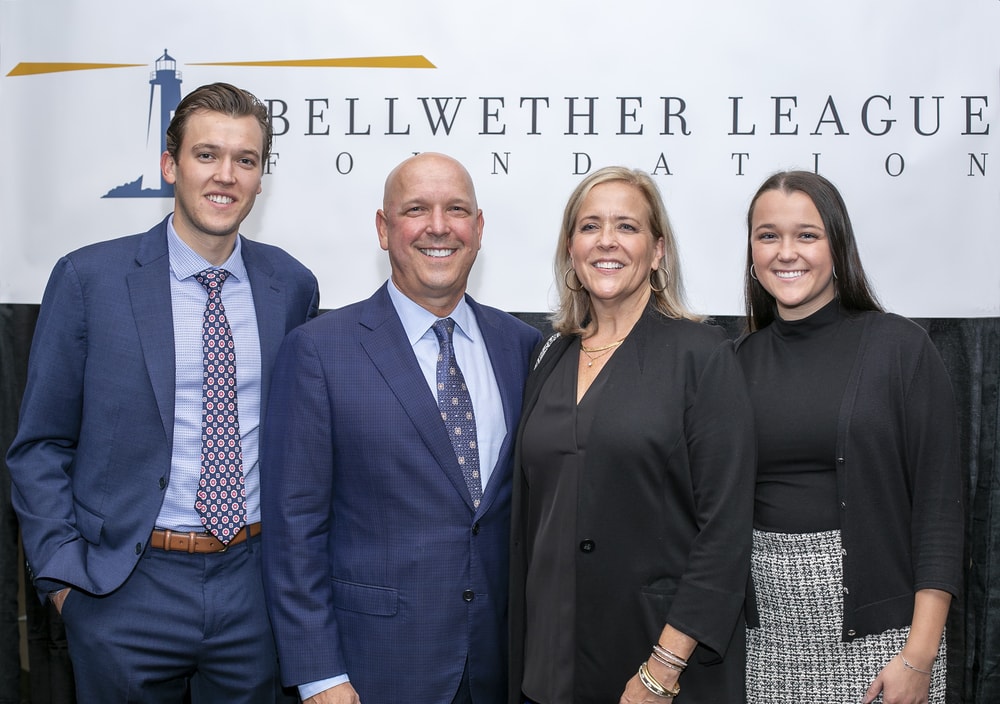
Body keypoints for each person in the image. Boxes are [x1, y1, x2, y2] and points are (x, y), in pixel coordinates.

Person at [6, 82, 320, 702]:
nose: (225, 176)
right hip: (123, 586)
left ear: (261, 178)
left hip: (253, 588)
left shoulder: (292, 286)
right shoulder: (88, 279)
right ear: (170, 166)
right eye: (207, 155)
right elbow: (40, 444)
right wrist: (65, 580)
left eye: (246, 160)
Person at [260, 152, 541, 704]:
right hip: (372, 671)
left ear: (478, 229)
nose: (439, 226)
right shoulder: (319, 351)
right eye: (416, 209)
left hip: (500, 666)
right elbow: (294, 530)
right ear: (384, 229)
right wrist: (320, 676)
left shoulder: (524, 348)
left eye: (456, 209)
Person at [508, 166, 756, 704]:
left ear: (658, 250)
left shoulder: (702, 356)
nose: (607, 241)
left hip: (656, 664)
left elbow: (726, 532)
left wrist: (662, 671)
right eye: (590, 226)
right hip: (548, 661)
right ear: (571, 248)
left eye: (627, 226)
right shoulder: (548, 355)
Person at [737, 170, 963, 704]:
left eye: (807, 235)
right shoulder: (732, 364)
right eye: (768, 235)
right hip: (761, 641)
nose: (786, 252)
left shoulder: (900, 349)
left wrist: (919, 656)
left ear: (838, 244)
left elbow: (939, 513)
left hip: (883, 643)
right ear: (751, 250)